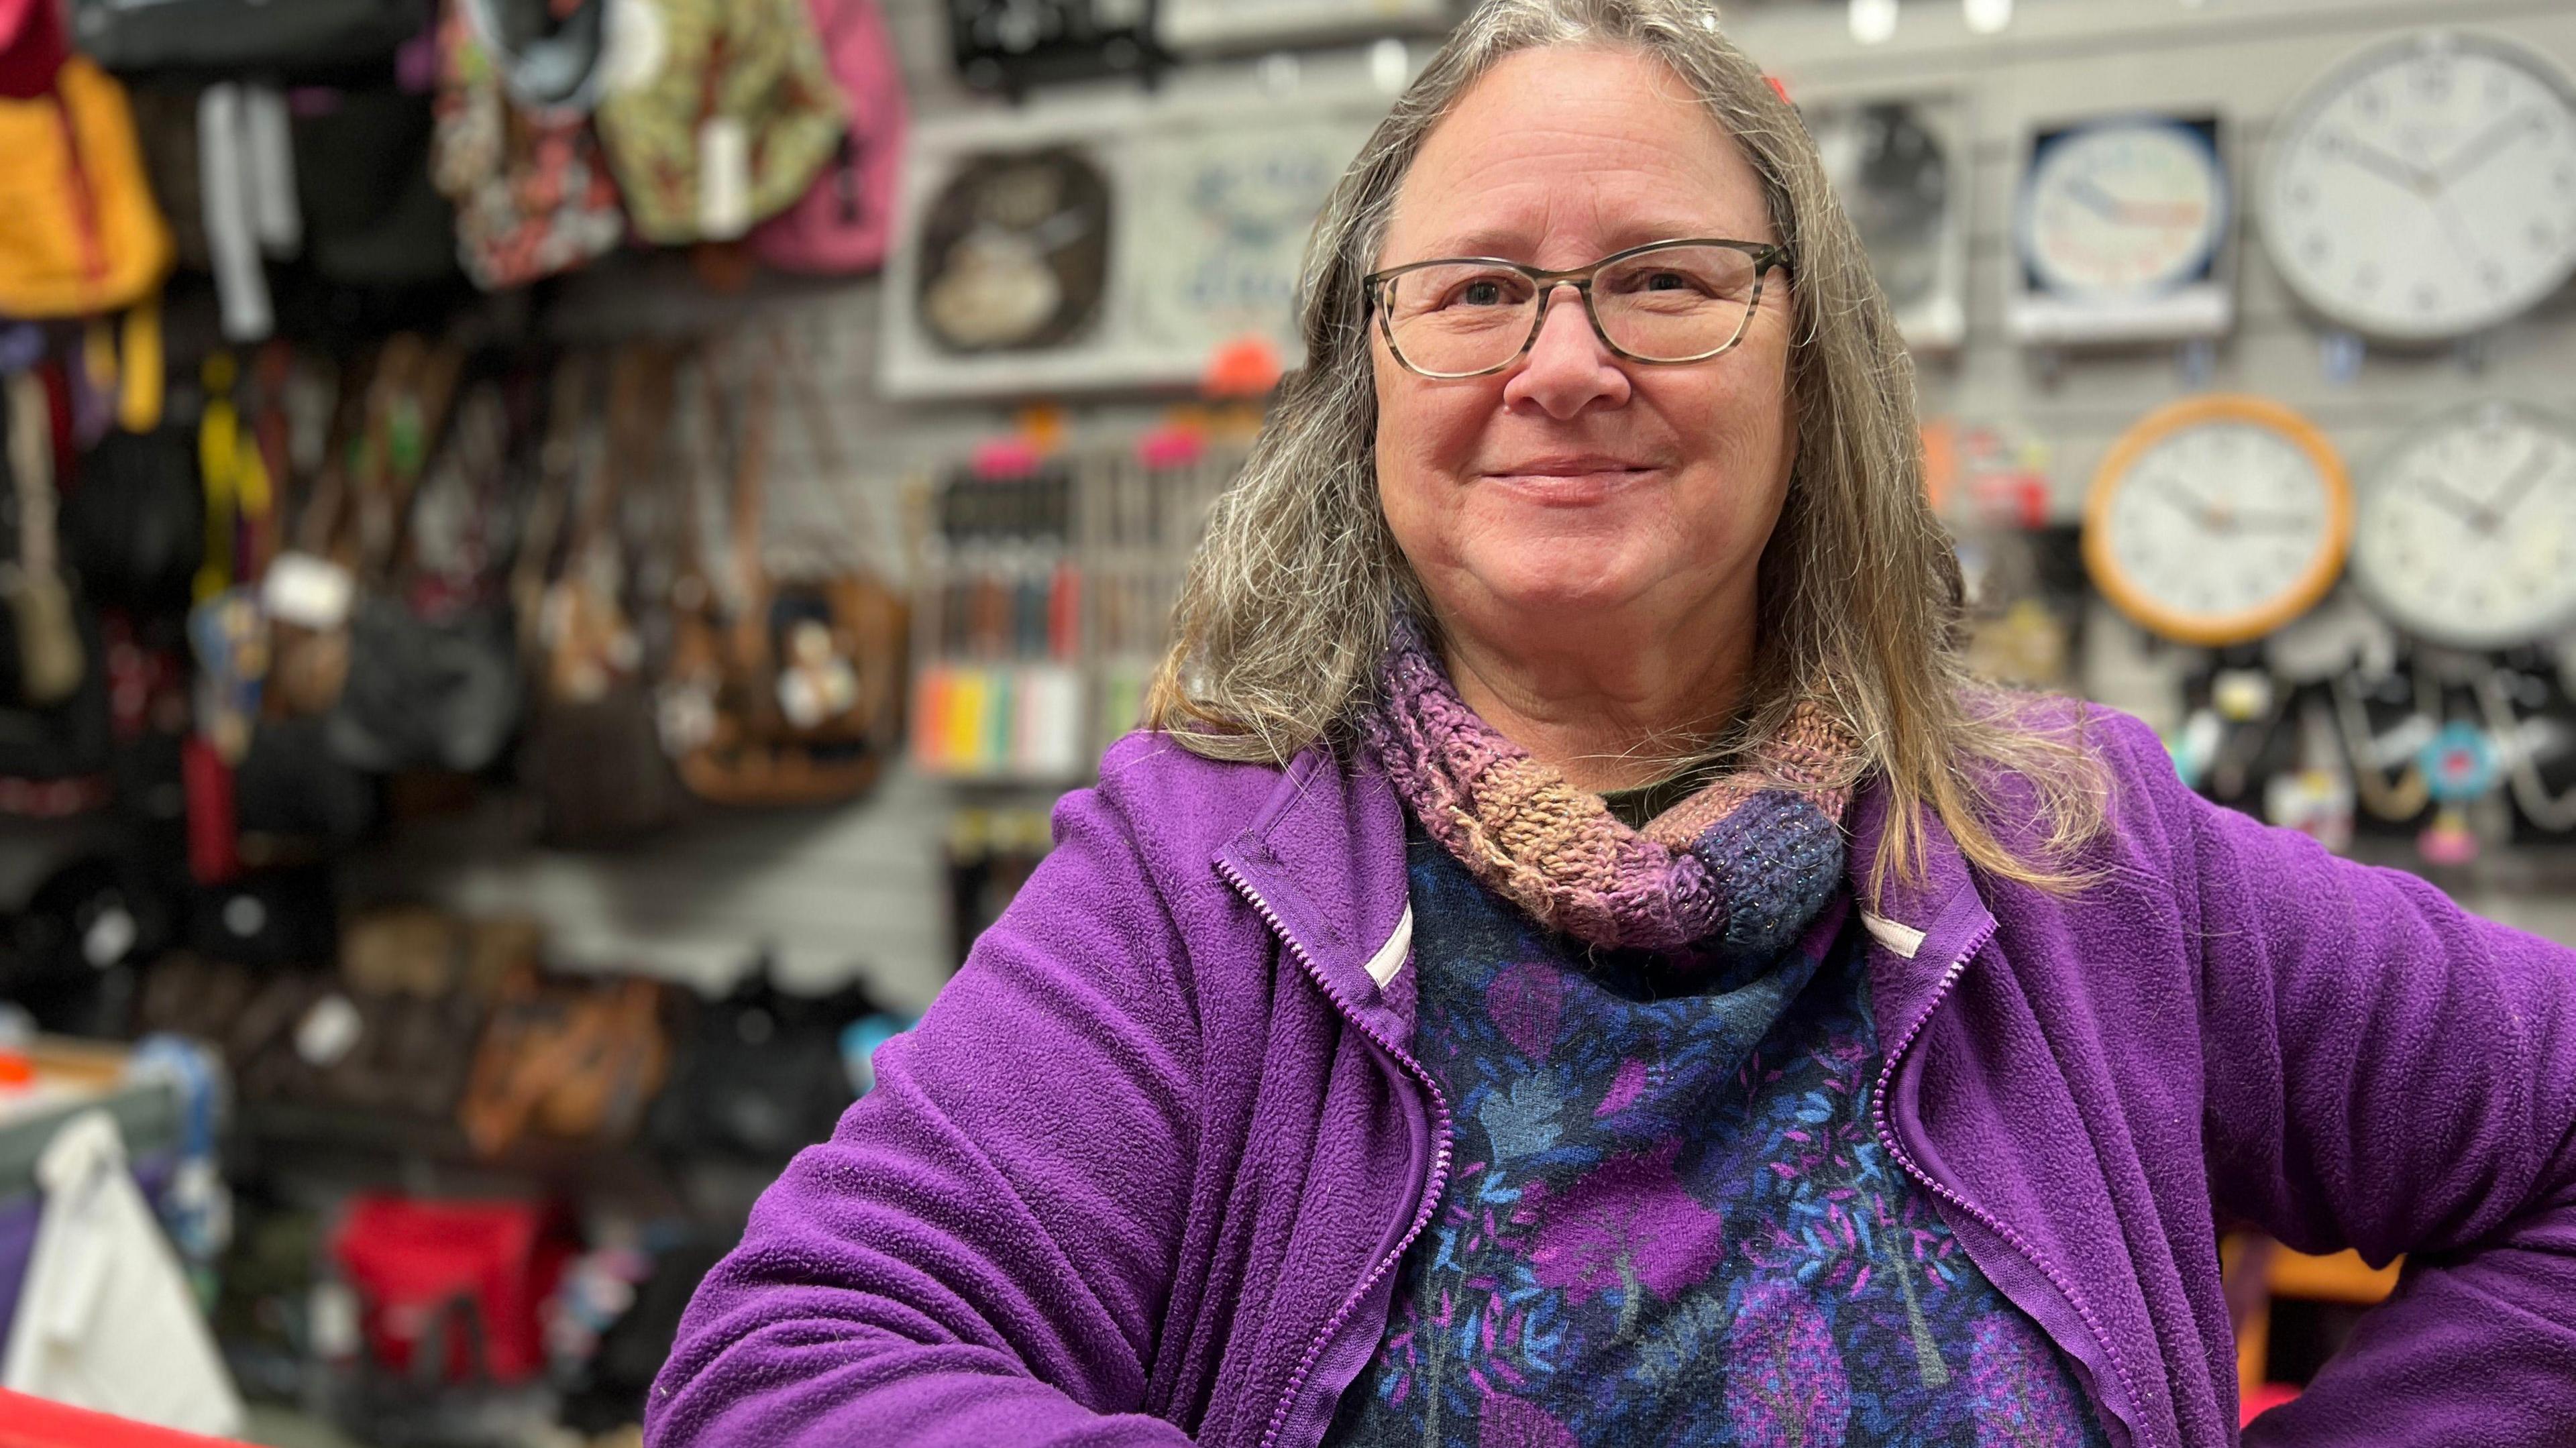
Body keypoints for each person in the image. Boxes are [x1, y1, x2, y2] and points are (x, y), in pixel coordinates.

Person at [645, 2, 2576, 1445]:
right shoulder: (1195, 886)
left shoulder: (2074, 847)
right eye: (1476, 292)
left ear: (1810, 370)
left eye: (1662, 281)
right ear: (1366, 393)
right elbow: (791, 1370)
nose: (1563, 366)